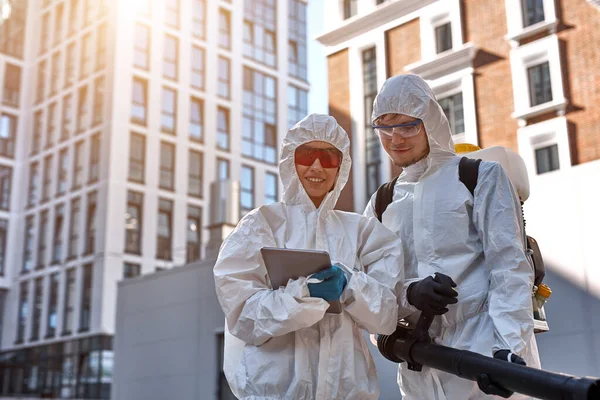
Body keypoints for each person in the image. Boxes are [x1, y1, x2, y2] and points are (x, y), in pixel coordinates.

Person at [213, 113, 457, 400]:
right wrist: (303, 295)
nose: (317, 166)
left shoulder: (364, 232)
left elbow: (386, 317)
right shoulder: (260, 225)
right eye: (307, 155)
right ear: (290, 160)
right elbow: (244, 316)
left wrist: (350, 285)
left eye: (329, 157)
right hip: (275, 394)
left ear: (342, 166)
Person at [364, 74, 541, 400]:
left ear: (429, 120)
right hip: (419, 367)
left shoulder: (478, 176)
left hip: (483, 356)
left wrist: (508, 352)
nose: (395, 138)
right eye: (384, 128)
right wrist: (409, 294)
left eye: (407, 126)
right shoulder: (381, 201)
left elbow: (508, 267)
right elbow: (368, 284)